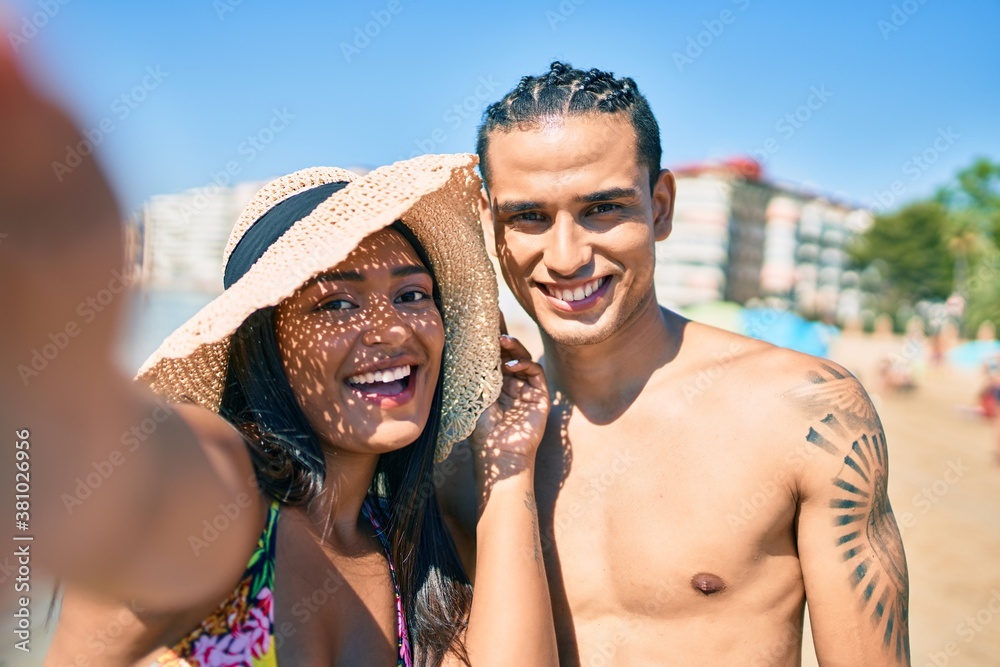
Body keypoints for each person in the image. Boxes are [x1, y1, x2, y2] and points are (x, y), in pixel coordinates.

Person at [1, 46, 557, 666]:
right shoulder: (228, 498)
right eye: (335, 306)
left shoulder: (402, 552)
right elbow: (126, 474)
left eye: (410, 294)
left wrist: (507, 467)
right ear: (263, 342)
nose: (392, 330)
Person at [438, 62, 911, 666]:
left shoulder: (804, 412)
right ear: (490, 225)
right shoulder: (458, 444)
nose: (565, 256)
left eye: (602, 209)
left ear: (660, 207)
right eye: (529, 217)